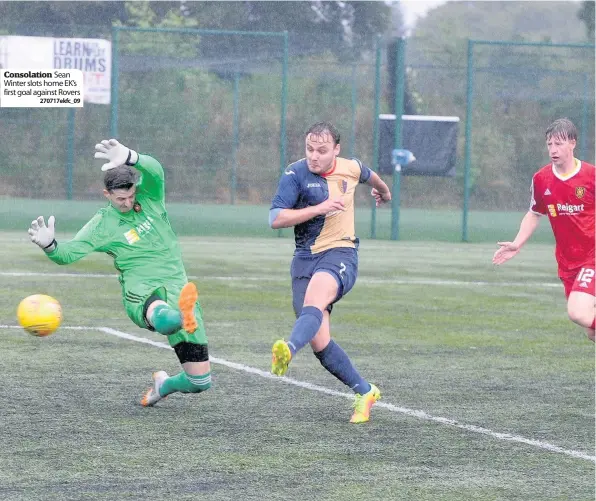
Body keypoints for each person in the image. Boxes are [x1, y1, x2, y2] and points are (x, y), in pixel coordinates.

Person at [27, 139, 212, 404]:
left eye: (130, 196)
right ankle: (184, 315)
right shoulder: (103, 224)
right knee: (166, 320)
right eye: (120, 198)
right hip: (143, 294)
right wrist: (50, 245)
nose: (126, 202)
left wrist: (131, 156)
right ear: (107, 195)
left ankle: (163, 385)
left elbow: (156, 170)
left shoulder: (151, 198)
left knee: (199, 382)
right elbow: (69, 254)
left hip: (179, 288)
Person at [269, 121, 392, 423]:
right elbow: (276, 218)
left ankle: (288, 349)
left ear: (336, 150)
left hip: (340, 252)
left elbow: (369, 175)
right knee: (320, 342)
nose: (314, 156)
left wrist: (383, 192)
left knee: (314, 300)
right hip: (303, 259)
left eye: (322, 151)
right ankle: (365, 392)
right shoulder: (294, 174)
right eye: (310, 149)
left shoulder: (349, 167)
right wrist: (319, 207)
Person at [493, 118, 595, 341]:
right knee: (591, 331)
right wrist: (517, 243)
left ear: (573, 143)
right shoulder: (542, 179)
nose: (553, 150)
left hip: (592, 257)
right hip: (567, 263)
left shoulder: (591, 176)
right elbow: (534, 213)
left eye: (558, 144)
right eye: (549, 144)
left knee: (577, 312)